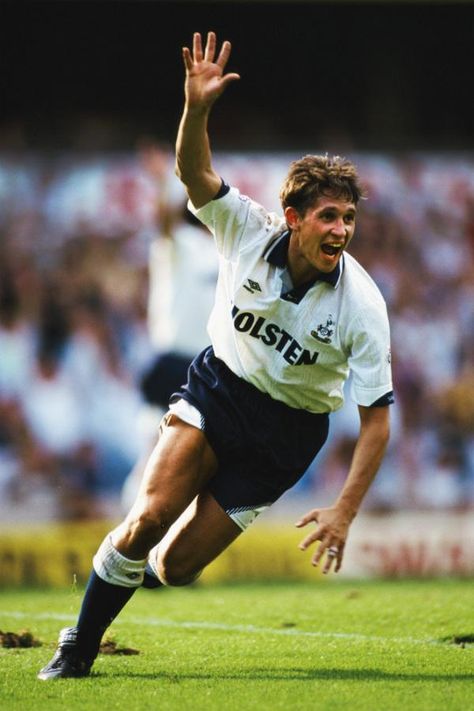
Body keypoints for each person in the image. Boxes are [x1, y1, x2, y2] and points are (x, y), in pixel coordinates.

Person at [38, 31, 393, 680]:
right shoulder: (247, 230)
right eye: (328, 217)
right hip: (219, 388)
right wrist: (196, 109)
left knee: (174, 568)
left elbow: (376, 419)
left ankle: (128, 570)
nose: (341, 230)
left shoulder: (363, 305)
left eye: (348, 218)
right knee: (147, 518)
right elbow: (194, 176)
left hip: (285, 437)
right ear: (292, 216)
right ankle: (80, 643)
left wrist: (344, 509)